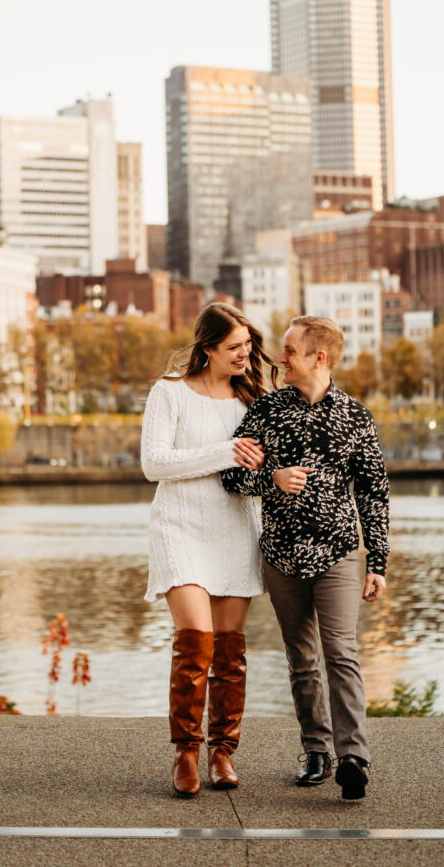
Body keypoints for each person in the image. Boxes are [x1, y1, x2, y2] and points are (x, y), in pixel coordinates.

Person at [221, 316, 389, 801]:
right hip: (281, 557)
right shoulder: (266, 411)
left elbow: (373, 493)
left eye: (290, 350)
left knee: (341, 652)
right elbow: (231, 476)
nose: (281, 358)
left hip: (338, 553)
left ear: (319, 357)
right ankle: (317, 752)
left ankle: (353, 756)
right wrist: (270, 478)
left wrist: (377, 561)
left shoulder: (356, 417)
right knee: (302, 658)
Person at [141, 302, 279, 797]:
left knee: (230, 652)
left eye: (248, 345)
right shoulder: (169, 391)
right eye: (234, 347)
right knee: (195, 642)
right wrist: (225, 452)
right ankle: (185, 752)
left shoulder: (252, 400)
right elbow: (155, 464)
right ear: (208, 348)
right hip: (180, 527)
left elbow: (262, 468)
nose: (244, 354)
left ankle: (223, 752)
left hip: (234, 529)